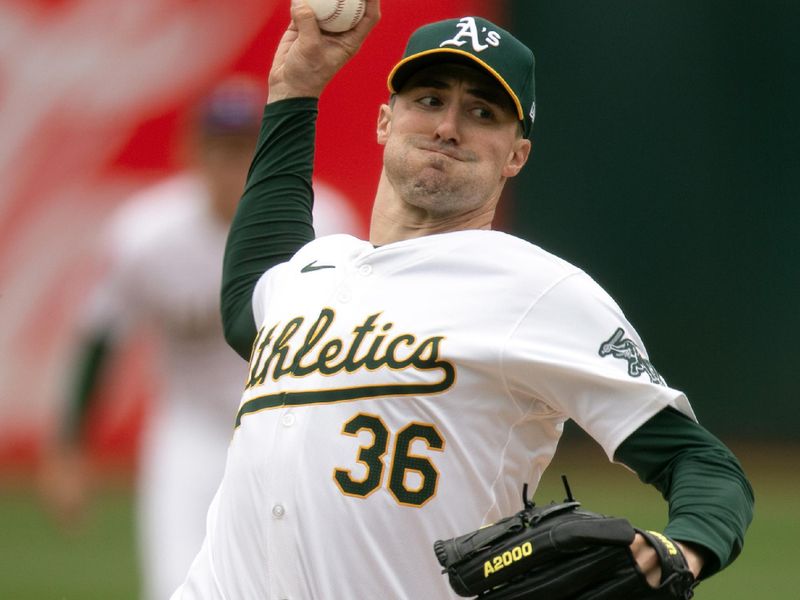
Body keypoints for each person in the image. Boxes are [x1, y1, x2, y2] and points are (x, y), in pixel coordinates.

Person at [172, 2, 753, 598]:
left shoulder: (538, 291)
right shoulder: (312, 271)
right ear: (383, 122)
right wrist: (294, 90)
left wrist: (679, 552)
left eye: (481, 111)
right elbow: (248, 299)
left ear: (517, 155)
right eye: (428, 100)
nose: (448, 126)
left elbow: (703, 465)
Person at [38, 75, 363, 600]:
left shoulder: (322, 222)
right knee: (175, 584)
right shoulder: (147, 234)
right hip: (191, 432)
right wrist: (72, 448)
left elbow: (359, 342)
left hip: (292, 429)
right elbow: (101, 337)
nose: (230, 164)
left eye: (243, 148)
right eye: (219, 147)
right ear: (192, 150)